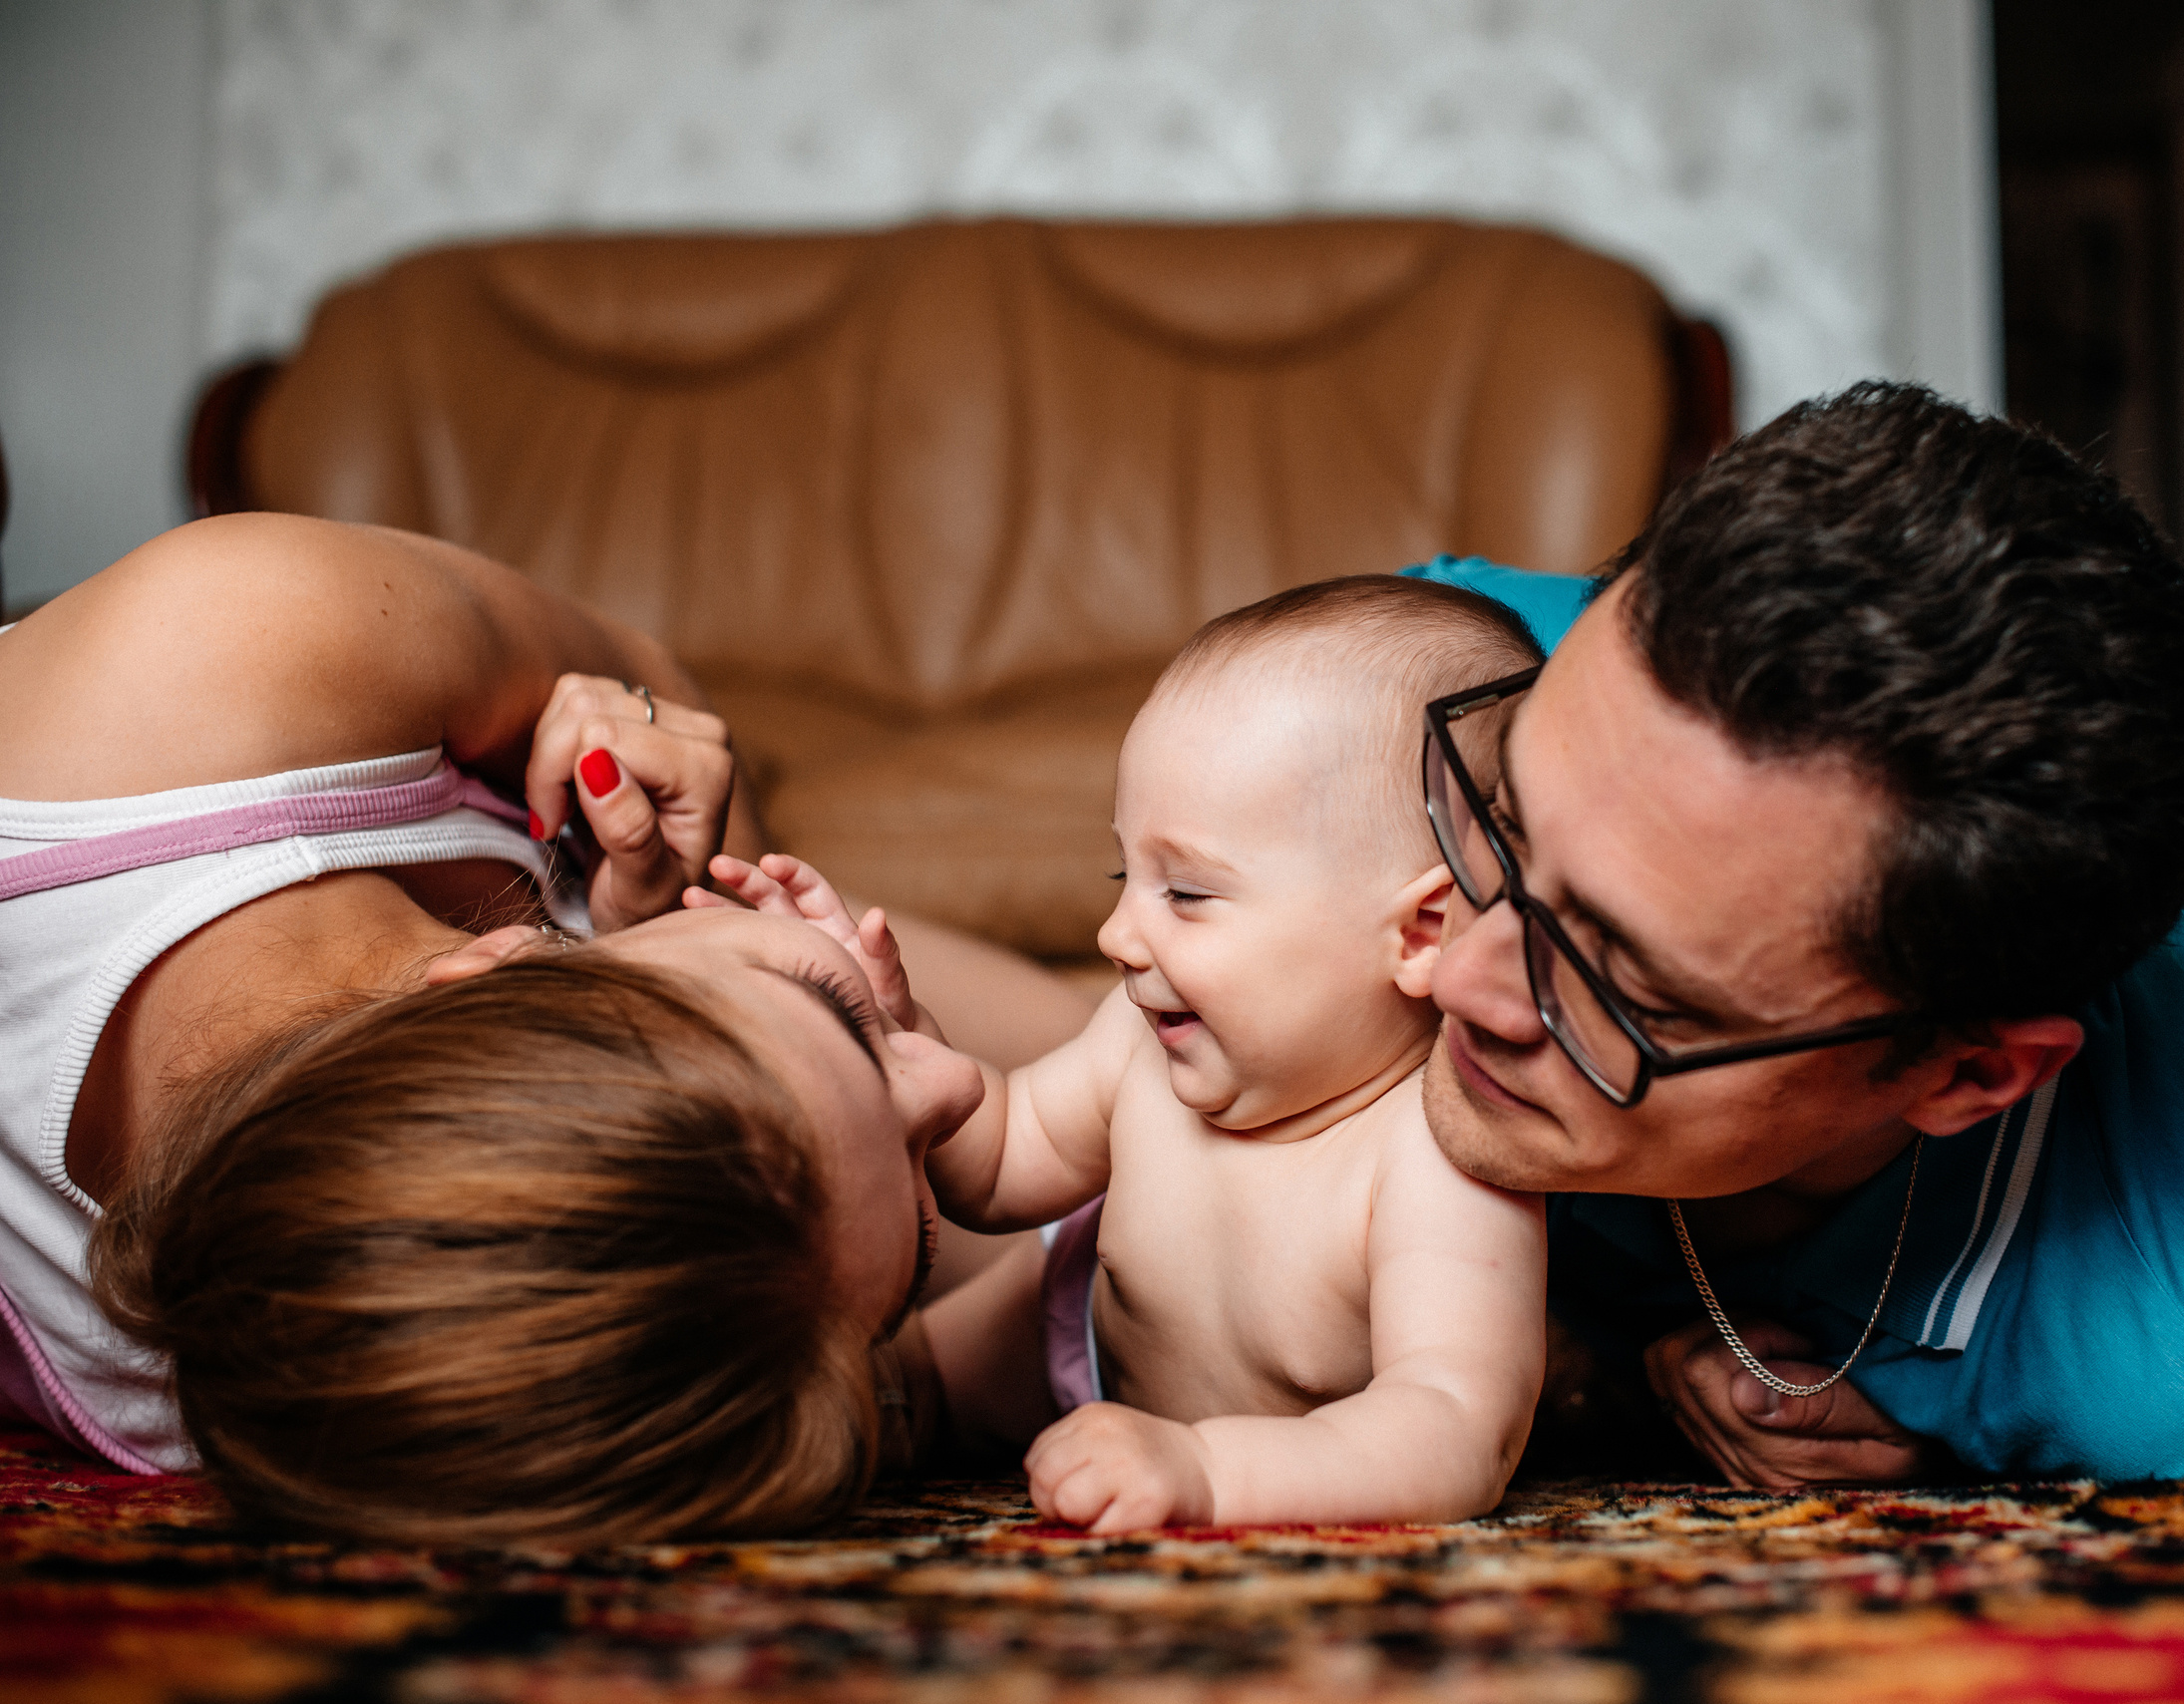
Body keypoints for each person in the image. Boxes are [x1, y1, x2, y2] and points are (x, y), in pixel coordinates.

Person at [1411, 382, 2184, 1486]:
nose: (1461, 974)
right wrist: (1582, 1368)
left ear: (1969, 1074)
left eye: (1624, 988)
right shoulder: (1443, 676)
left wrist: (1960, 1437)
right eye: (1500, 816)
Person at [0, 512, 1082, 1543]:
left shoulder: (234, 644)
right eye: (906, 1259)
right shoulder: (363, 1400)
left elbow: (645, 665)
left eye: (842, 1017)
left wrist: (699, 855)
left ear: (493, 967)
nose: (958, 1086)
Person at [716, 578, 1550, 1532]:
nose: (1118, 935)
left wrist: (1206, 1469)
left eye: (1186, 893)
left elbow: (1453, 1426)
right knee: (873, 1395)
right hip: (1069, 1328)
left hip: (1228, 1447)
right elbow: (993, 1162)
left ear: (1423, 933)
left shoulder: (1446, 1157)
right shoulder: (1137, 1043)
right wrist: (885, 1026)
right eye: (1127, 877)